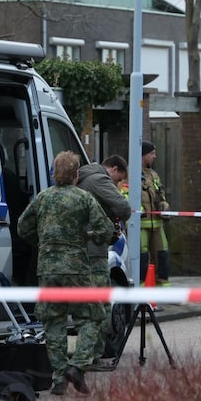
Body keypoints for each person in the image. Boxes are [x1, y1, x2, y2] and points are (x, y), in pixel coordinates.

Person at [17, 151, 114, 396]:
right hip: (76, 268)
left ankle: (59, 377)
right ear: (75, 174)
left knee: (53, 322)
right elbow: (105, 229)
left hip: (47, 269)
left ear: (55, 173)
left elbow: (22, 227)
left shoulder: (42, 198)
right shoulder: (84, 198)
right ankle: (78, 366)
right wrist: (90, 237)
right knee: (92, 317)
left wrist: (43, 242)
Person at [77, 154, 132, 371]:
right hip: (95, 250)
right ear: (114, 169)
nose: (116, 184)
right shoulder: (99, 180)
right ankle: (93, 358)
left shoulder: (79, 178)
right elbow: (123, 207)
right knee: (99, 305)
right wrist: (112, 222)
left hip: (74, 253)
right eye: (118, 179)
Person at [139, 141, 171, 285]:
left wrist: (164, 205)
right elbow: (124, 194)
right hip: (140, 225)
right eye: (151, 153)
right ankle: (140, 286)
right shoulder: (130, 174)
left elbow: (160, 194)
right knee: (141, 255)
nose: (155, 156)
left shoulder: (153, 174)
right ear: (143, 154)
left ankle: (163, 285)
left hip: (157, 224)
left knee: (162, 253)